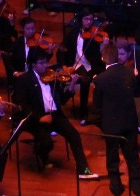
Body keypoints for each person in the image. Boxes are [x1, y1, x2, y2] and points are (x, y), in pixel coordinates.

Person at [13, 51, 97, 180]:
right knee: (47, 143)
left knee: (74, 135)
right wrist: (39, 118)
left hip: (55, 115)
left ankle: (84, 170)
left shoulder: (52, 78)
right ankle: (42, 156)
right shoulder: (25, 80)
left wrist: (72, 85)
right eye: (42, 63)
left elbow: (61, 100)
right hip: (36, 118)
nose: (46, 66)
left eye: (46, 62)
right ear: (33, 65)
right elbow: (22, 104)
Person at [93, 40, 140, 196]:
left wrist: (102, 122)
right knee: (132, 153)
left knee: (112, 154)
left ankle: (115, 183)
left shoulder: (100, 79)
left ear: (103, 58)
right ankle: (136, 183)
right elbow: (137, 97)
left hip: (110, 124)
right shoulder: (130, 73)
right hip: (129, 121)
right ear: (118, 57)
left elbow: (97, 107)